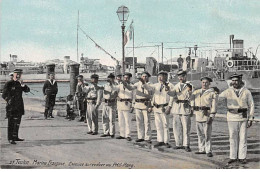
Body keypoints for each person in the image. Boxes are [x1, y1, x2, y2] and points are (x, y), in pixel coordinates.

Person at [219, 74, 254, 165]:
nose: (234, 82)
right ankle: (233, 157)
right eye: (233, 80)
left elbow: (251, 105)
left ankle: (242, 157)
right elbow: (218, 98)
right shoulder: (228, 91)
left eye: (236, 80)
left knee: (243, 137)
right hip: (231, 116)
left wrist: (250, 118)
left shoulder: (246, 91)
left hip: (243, 117)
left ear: (240, 80)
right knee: (232, 137)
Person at [143, 71, 174, 148]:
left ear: (166, 77)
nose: (160, 78)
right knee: (158, 125)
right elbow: (150, 91)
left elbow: (172, 97)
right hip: (156, 107)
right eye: (159, 76)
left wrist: (169, 107)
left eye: (162, 76)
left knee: (165, 125)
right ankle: (160, 140)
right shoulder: (156, 85)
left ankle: (166, 141)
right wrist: (143, 82)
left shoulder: (170, 85)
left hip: (164, 107)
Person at [190, 76, 218, 157]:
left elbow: (214, 106)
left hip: (207, 115)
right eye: (203, 82)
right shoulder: (196, 92)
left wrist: (212, 116)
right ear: (201, 83)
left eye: (206, 83)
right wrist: (192, 108)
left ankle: (208, 150)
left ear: (209, 83)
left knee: (207, 134)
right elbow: (191, 100)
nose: (204, 84)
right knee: (199, 134)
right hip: (198, 115)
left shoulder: (212, 93)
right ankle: (201, 149)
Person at [2, 69, 30, 144]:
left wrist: (23, 85)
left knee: (17, 122)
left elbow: (27, 90)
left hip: (19, 105)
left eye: (20, 74)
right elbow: (4, 94)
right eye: (17, 74)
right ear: (14, 74)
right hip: (11, 106)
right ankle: (10, 138)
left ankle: (15, 136)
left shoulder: (19, 83)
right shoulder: (9, 83)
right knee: (11, 122)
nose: (19, 76)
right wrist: (9, 100)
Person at [124, 71, 153, 143]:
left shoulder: (150, 84)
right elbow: (130, 88)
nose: (144, 78)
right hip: (138, 104)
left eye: (146, 76)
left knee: (147, 122)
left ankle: (147, 137)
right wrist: (125, 83)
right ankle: (140, 136)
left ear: (148, 77)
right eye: (143, 76)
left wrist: (143, 83)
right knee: (139, 122)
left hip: (146, 104)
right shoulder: (137, 84)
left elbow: (149, 90)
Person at [169, 70, 193, 152]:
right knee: (176, 127)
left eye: (182, 76)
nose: (181, 78)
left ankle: (186, 144)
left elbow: (192, 97)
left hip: (185, 107)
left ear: (186, 76)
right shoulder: (176, 86)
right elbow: (172, 96)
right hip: (177, 107)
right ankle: (178, 143)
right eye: (179, 76)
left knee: (186, 127)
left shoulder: (190, 85)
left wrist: (192, 107)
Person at [114, 73, 134, 141]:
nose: (126, 79)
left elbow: (134, 96)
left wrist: (133, 106)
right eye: (125, 78)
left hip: (128, 103)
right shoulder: (119, 86)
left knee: (127, 121)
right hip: (120, 104)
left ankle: (128, 135)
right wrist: (117, 96)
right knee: (120, 121)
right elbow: (114, 91)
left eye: (127, 78)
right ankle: (122, 134)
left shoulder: (132, 86)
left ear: (130, 78)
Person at [100, 73, 118, 138]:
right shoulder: (105, 85)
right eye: (109, 78)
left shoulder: (116, 85)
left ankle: (112, 133)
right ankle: (106, 132)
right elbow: (100, 90)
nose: (110, 79)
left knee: (112, 119)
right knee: (104, 118)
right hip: (105, 103)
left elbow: (115, 93)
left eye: (111, 78)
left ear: (113, 79)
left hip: (112, 103)